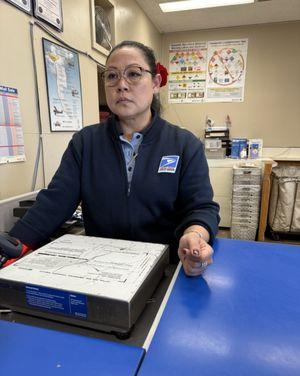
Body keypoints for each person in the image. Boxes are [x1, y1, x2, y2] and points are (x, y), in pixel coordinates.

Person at [3, 40, 220, 276]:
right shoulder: (85, 143)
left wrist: (195, 235)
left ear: (156, 82)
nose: (122, 85)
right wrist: (13, 243)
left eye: (134, 74)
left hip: (166, 268)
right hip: (100, 270)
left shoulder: (184, 144)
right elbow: (55, 203)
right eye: (112, 76)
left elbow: (201, 207)